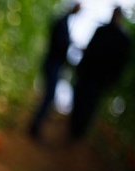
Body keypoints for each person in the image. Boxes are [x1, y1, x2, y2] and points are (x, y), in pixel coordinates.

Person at [69, 6, 132, 141]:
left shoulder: (123, 39)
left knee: (89, 105)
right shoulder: (102, 31)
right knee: (80, 100)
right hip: (87, 74)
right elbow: (90, 50)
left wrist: (111, 81)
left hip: (99, 80)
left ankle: (78, 132)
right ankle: (74, 129)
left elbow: (120, 64)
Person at [29, 3, 81, 140]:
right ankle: (35, 126)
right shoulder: (62, 22)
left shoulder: (64, 22)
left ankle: (36, 125)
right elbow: (60, 44)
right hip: (53, 63)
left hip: (54, 63)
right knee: (49, 96)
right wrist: (70, 44)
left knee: (48, 96)